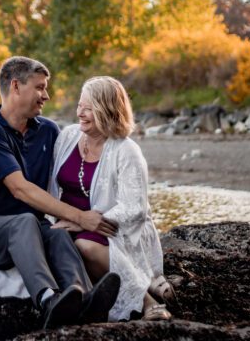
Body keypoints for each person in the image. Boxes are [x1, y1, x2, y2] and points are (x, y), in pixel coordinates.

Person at [0, 56, 121, 329]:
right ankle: (48, 300)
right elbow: (20, 189)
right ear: (16, 86)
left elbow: (76, 173)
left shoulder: (48, 130)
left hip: (34, 230)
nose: (45, 95)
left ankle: (83, 299)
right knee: (26, 221)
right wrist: (81, 217)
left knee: (58, 232)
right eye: (39, 87)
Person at [48, 76, 173, 321]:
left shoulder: (126, 151)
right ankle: (84, 300)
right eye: (79, 106)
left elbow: (134, 208)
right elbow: (51, 187)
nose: (80, 113)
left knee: (85, 246)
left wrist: (86, 222)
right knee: (54, 238)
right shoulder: (68, 137)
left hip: (110, 226)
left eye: (89, 108)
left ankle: (147, 302)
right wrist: (70, 218)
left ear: (107, 110)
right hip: (72, 221)